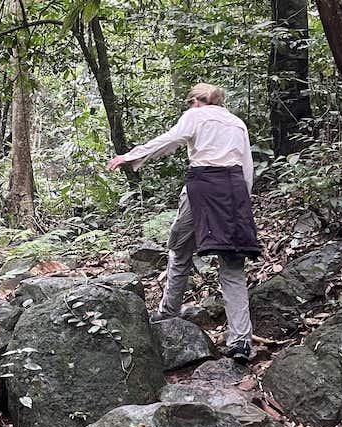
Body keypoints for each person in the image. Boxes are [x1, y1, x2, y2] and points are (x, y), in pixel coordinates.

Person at [107, 82, 259, 362]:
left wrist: (130, 157)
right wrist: (243, 203)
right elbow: (246, 165)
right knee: (232, 264)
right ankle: (241, 341)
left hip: (202, 188)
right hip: (234, 190)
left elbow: (169, 140)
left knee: (180, 249)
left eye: (190, 103)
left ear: (196, 101)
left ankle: (169, 311)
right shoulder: (236, 123)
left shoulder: (195, 115)